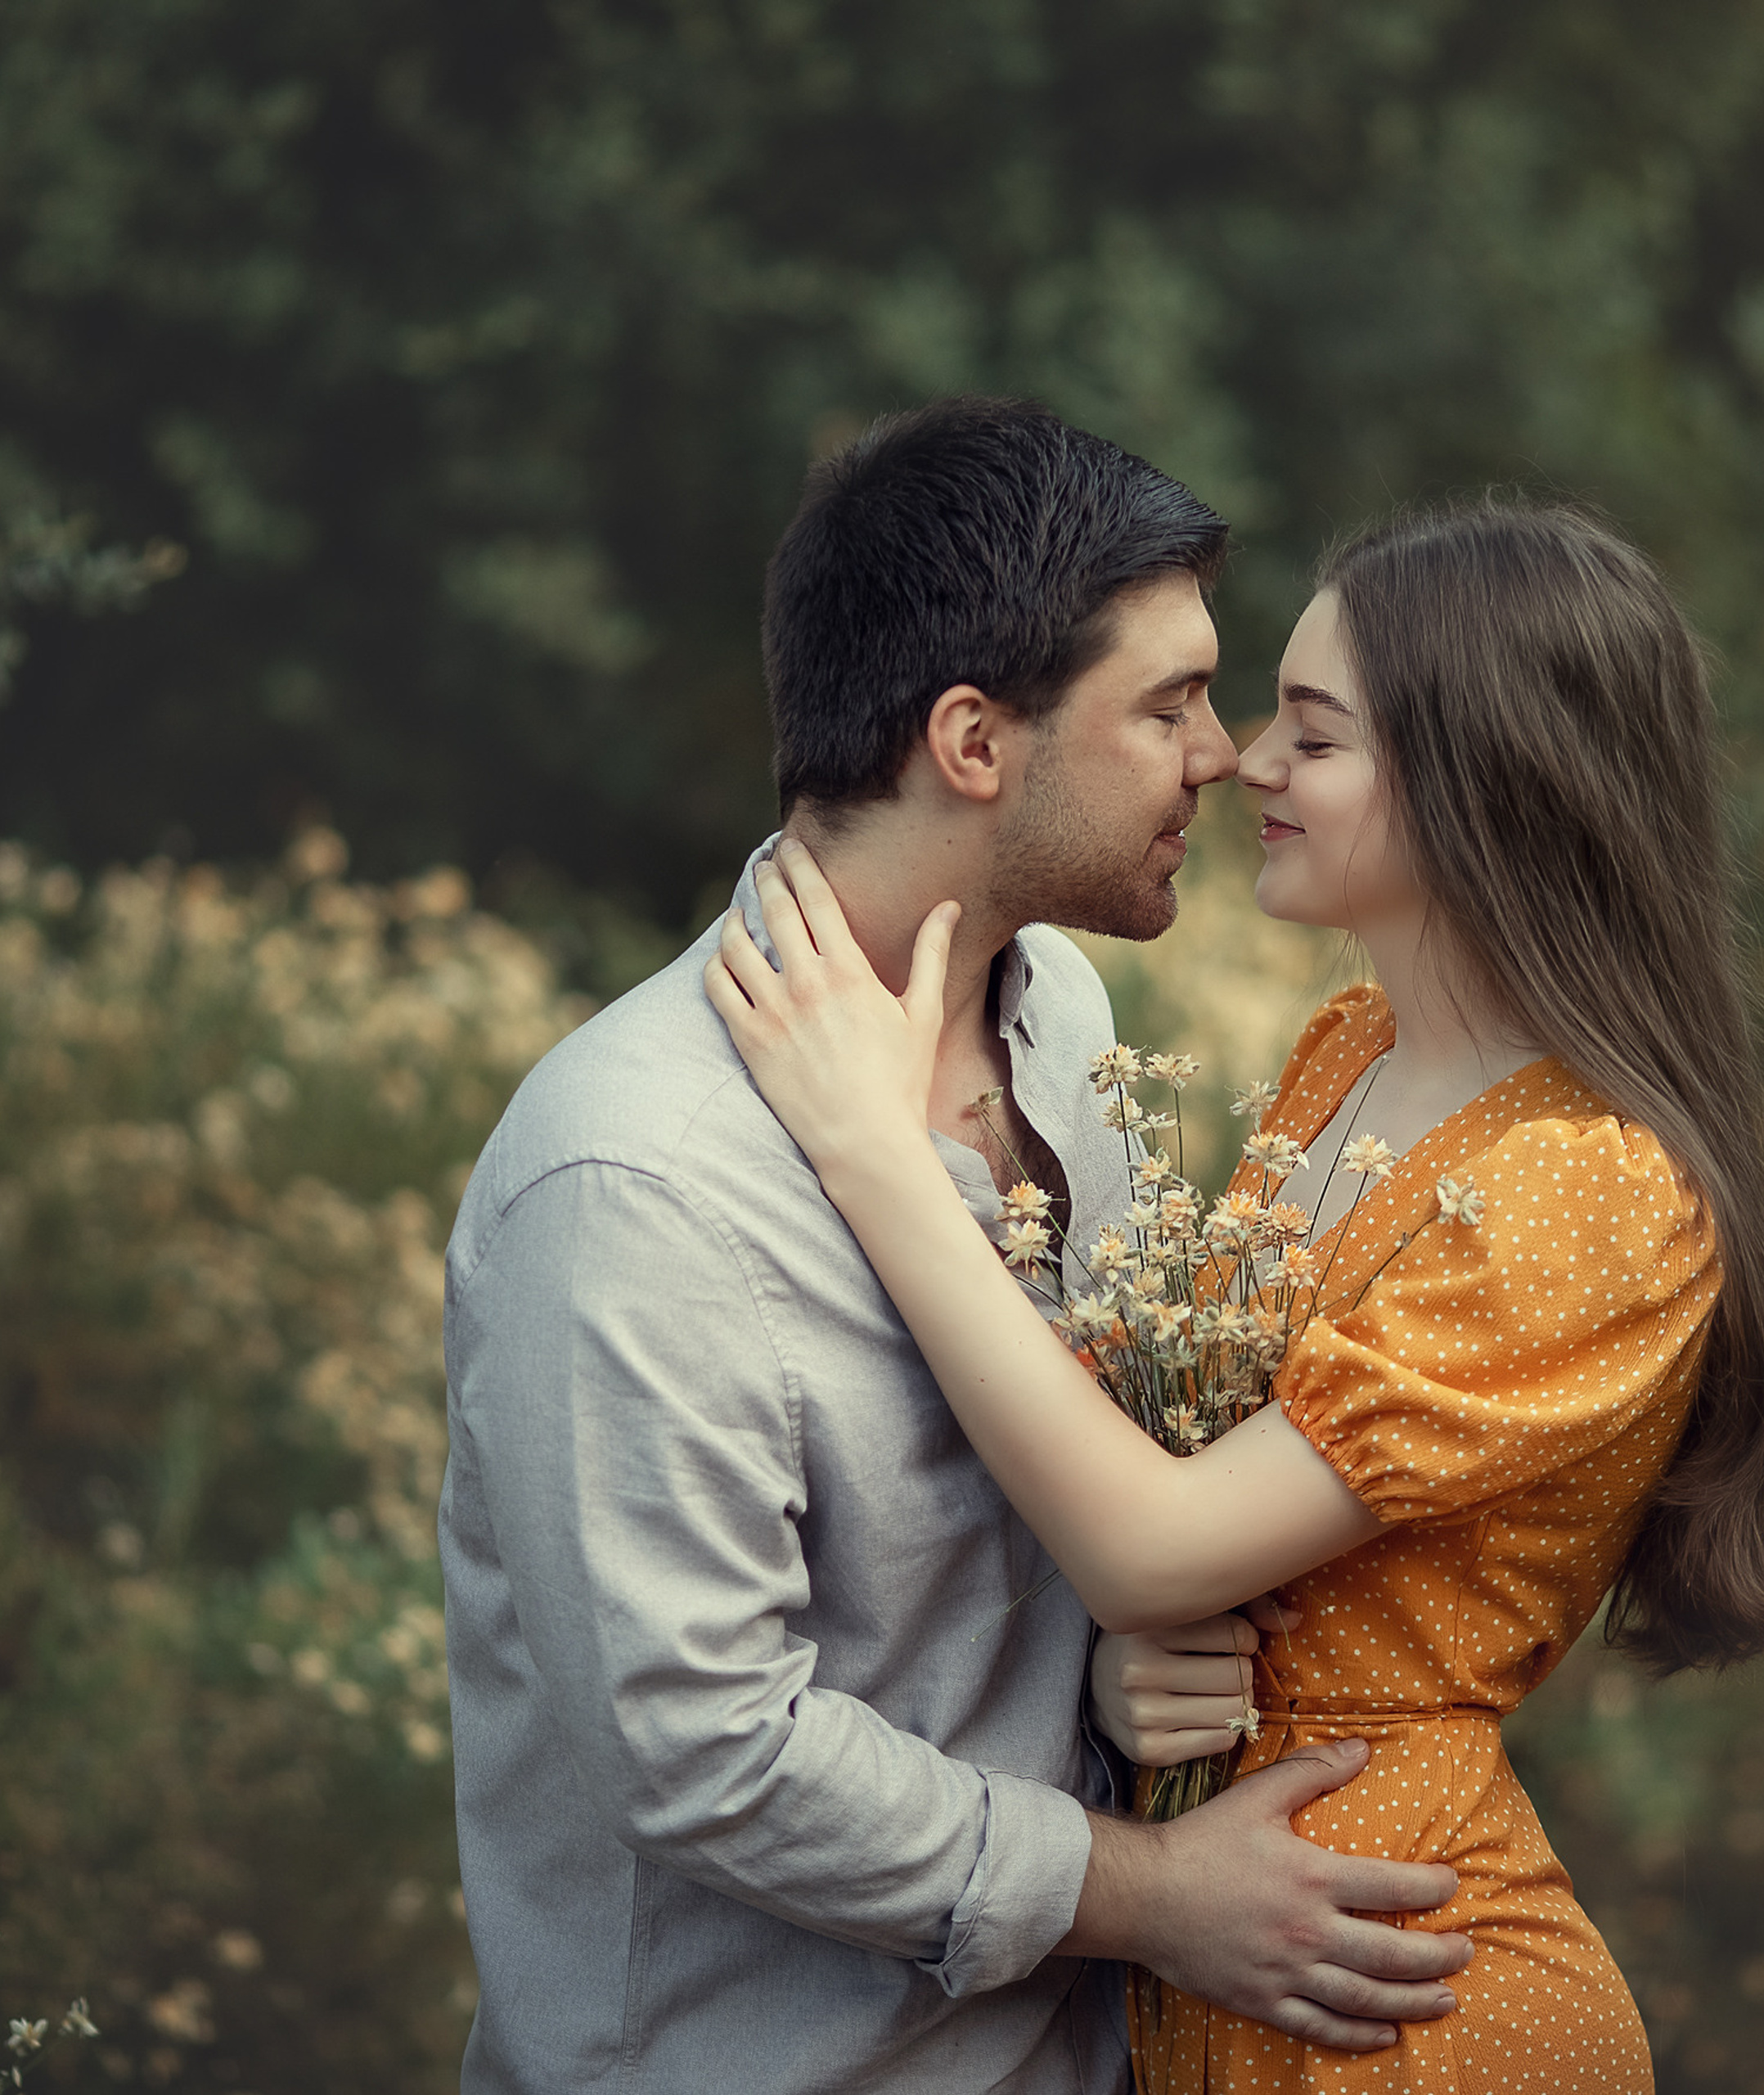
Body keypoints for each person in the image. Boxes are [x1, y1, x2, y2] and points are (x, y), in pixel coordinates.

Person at [706, 498, 1764, 2093]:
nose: (1243, 761)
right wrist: (1126, 1682)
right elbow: (1208, 1521)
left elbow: (1152, 1531)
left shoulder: (1592, 1186)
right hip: (1226, 1956)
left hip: (1407, 2001)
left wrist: (874, 1152)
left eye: (1307, 732)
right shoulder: (1346, 1053)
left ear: (1483, 782)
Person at [439, 398, 1471, 2095]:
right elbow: (703, 1748)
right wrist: (1147, 1892)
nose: (1221, 754)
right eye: (1166, 705)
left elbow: (1078, 1488)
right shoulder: (632, 1178)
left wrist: (1120, 1657)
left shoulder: (1056, 1009)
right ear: (974, 742)